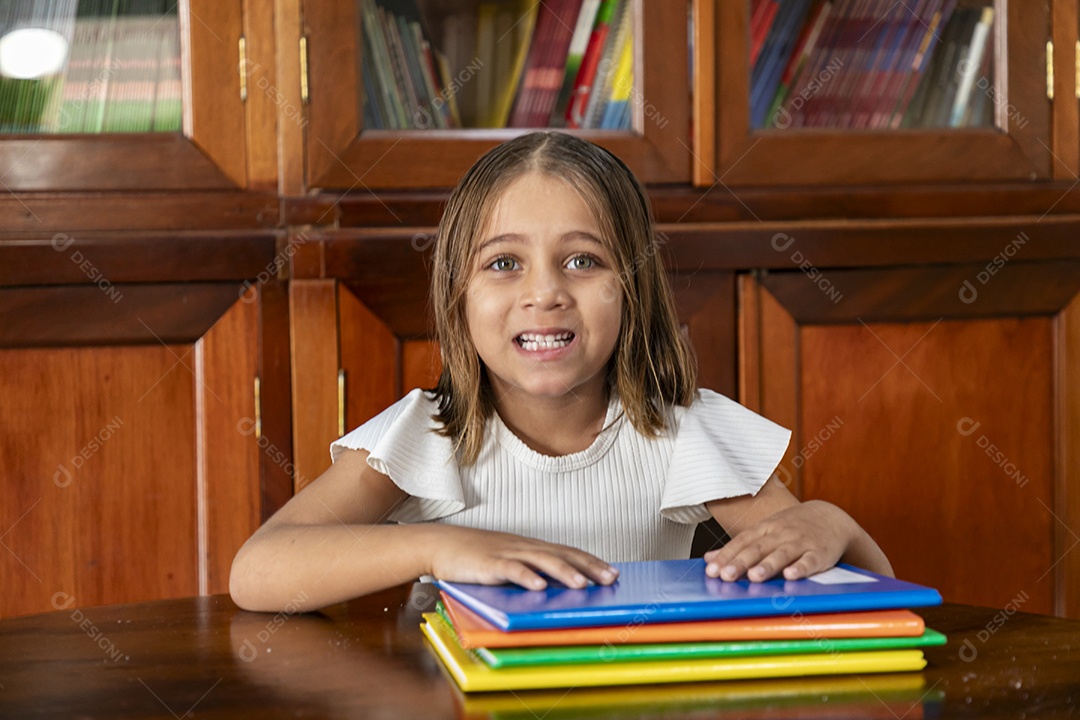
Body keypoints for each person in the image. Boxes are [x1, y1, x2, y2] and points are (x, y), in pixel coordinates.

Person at [229, 132, 892, 613]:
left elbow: (875, 595)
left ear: (633, 288)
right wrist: (438, 549)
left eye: (582, 261)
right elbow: (258, 571)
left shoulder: (687, 433)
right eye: (503, 263)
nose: (544, 293)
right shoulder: (425, 437)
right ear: (458, 295)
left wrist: (832, 523)